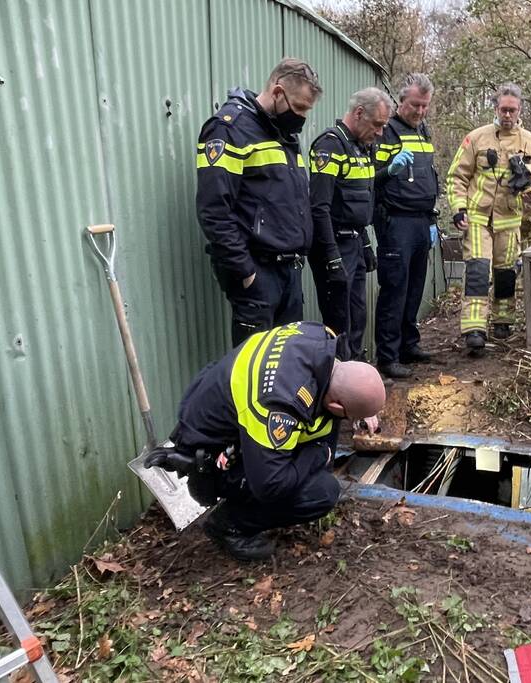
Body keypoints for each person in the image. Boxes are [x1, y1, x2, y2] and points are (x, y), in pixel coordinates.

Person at [145, 322, 386, 561]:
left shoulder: (324, 339)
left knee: (324, 427)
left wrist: (362, 407)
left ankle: (316, 464)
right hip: (216, 453)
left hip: (223, 407)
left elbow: (344, 387)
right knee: (322, 492)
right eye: (349, 414)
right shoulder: (281, 405)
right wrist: (319, 454)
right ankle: (229, 525)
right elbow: (271, 484)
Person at [196, 58, 322, 348]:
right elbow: (214, 210)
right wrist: (246, 273)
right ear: (278, 92)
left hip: (289, 270)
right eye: (299, 107)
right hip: (257, 274)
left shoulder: (283, 132)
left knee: (288, 363)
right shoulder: (229, 129)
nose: (301, 117)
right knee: (254, 371)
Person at [447, 83, 531, 353]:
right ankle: (474, 329)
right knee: (478, 270)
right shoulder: (476, 138)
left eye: (512, 110)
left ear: (519, 110)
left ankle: (503, 321)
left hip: (510, 219)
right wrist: (459, 208)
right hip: (478, 217)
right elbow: (457, 176)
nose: (507, 115)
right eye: (503, 109)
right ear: (495, 108)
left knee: (505, 274)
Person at [309, 88, 393, 361]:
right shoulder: (330, 146)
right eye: (377, 124)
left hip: (355, 242)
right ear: (359, 113)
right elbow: (318, 207)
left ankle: (356, 377)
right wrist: (331, 256)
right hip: (333, 243)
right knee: (339, 321)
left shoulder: (363, 147)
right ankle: (338, 385)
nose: (380, 132)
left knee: (357, 314)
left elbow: (361, 204)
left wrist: (366, 243)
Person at [372, 73, 439, 379]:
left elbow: (428, 176)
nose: (420, 111)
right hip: (395, 220)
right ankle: (387, 356)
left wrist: (432, 219)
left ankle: (408, 345)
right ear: (402, 101)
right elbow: (372, 175)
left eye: (425, 106)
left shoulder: (423, 130)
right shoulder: (386, 132)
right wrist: (390, 169)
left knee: (414, 288)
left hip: (421, 220)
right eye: (415, 105)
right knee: (395, 289)